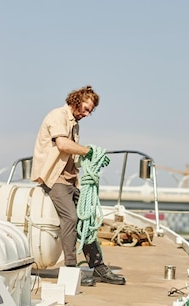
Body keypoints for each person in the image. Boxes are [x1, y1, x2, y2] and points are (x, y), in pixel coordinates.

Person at [31, 85, 125, 285]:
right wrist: (87, 151)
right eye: (86, 108)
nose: (87, 113)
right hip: (54, 178)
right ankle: (71, 270)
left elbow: (71, 153)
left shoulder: (74, 123)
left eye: (90, 111)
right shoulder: (58, 116)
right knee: (71, 218)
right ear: (76, 101)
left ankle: (98, 267)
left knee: (86, 220)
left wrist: (91, 158)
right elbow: (63, 145)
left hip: (69, 179)